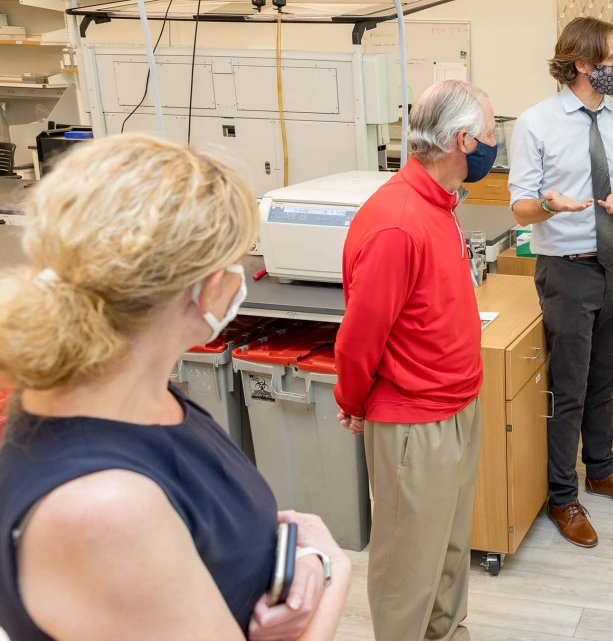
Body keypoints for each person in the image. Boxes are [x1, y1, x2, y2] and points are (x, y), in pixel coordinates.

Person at [0, 134, 351, 641]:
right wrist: (338, 572)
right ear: (207, 287)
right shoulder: (102, 508)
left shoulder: (148, 400)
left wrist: (307, 558)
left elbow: (210, 526)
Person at [333, 79, 496, 641]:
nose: (497, 145)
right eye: (492, 135)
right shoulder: (397, 222)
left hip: (456, 408)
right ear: (463, 140)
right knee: (408, 568)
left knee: (449, 553)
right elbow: (359, 337)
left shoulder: (440, 205)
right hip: (413, 421)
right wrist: (352, 401)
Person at [508, 16, 613, 549]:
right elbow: (520, 207)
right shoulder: (536, 123)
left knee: (605, 378)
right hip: (566, 269)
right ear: (583, 65)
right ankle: (562, 496)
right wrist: (549, 204)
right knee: (568, 388)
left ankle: (601, 470)